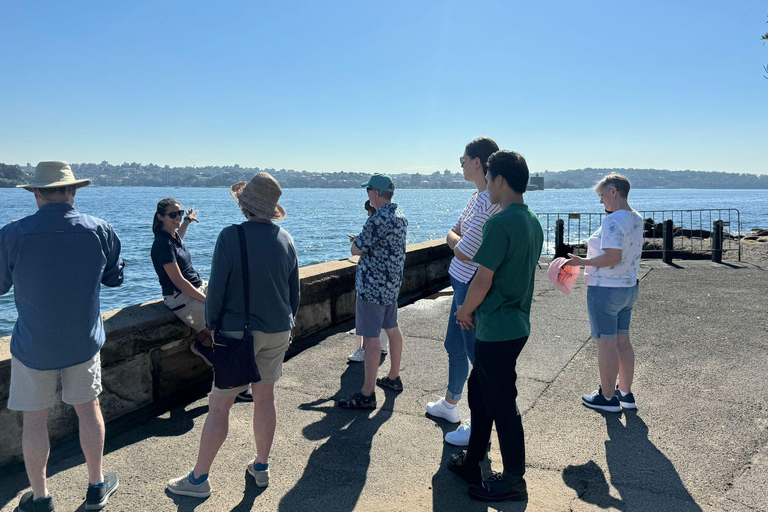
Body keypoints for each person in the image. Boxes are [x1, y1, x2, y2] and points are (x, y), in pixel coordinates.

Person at [0, 162, 124, 511]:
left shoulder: (12, 233)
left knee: (34, 420)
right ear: (74, 191)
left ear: (36, 193)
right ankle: (96, 487)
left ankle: (40, 498)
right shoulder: (100, 230)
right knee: (88, 410)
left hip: (32, 345)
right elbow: (115, 279)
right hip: (83, 343)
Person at [167, 172, 299, 498]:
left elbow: (217, 292)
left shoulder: (231, 236)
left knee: (219, 406)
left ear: (245, 206)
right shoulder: (286, 238)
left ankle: (198, 480)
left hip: (239, 335)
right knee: (265, 398)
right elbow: (294, 292)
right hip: (278, 329)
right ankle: (262, 466)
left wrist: (211, 327)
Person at [451, 151, 543, 502]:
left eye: (489, 178)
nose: (486, 184)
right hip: (516, 323)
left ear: (499, 180)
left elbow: (482, 279)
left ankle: (514, 480)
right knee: (480, 392)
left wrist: (464, 310)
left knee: (502, 403)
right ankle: (473, 461)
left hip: (496, 327)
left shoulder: (500, 222)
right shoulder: (530, 219)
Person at [426, 137, 501, 448]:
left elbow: (465, 249)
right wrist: (458, 241)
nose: (460, 162)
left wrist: (457, 242)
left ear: (478, 163)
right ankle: (451, 404)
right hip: (459, 281)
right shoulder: (476, 197)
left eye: (464, 158)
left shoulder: (490, 202)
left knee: (474, 353)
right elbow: (454, 230)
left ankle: (479, 423)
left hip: (469, 283)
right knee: (453, 344)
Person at [563, 174, 643, 412]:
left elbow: (612, 257)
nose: (601, 202)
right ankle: (625, 394)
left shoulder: (612, 221)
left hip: (606, 289)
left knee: (605, 344)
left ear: (613, 191)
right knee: (623, 342)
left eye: (601, 195)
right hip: (628, 287)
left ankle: (607, 399)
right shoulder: (636, 218)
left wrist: (581, 261)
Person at [338, 174, 407, 409]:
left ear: (376, 193)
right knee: (392, 329)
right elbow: (385, 246)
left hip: (372, 288)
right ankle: (393, 377)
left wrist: (356, 241)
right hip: (391, 285)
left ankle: (367, 393)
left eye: (368, 190)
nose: (367, 195)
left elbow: (356, 250)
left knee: (371, 337)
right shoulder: (400, 217)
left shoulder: (377, 219)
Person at [150, 198, 213, 365]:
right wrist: (206, 300)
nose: (177, 217)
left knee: (233, 299)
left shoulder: (173, 236)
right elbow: (178, 281)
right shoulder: (162, 244)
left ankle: (205, 340)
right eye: (173, 215)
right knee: (223, 329)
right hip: (181, 297)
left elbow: (179, 242)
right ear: (160, 217)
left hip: (197, 286)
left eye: (180, 213)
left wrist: (186, 221)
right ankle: (208, 349)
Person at [347, 199, 389, 362]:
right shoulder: (390, 221)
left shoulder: (373, 222)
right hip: (386, 278)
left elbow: (356, 250)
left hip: (370, 279)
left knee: (366, 318)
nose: (367, 214)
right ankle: (383, 346)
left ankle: (364, 350)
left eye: (368, 211)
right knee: (385, 316)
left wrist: (354, 242)